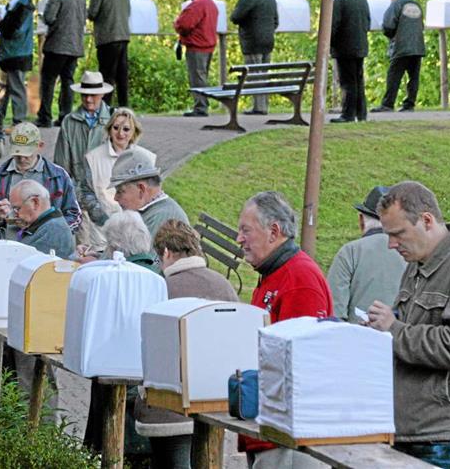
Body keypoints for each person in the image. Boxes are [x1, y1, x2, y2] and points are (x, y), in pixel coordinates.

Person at [368, 181, 450, 467]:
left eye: (398, 234)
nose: (391, 244)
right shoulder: (416, 267)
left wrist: (394, 330)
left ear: (427, 221)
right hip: (414, 431)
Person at [236, 191, 332, 468]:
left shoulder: (299, 278)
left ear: (273, 231)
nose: (239, 239)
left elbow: (305, 362)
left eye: (246, 231)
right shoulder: (275, 273)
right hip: (271, 432)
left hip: (288, 440)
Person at [133, 219, 238, 468]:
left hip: (165, 406)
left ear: (167, 253)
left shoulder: (160, 288)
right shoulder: (223, 285)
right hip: (216, 401)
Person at [82, 209, 156, 465]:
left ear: (115, 247)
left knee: (116, 454)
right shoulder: (158, 276)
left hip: (117, 385)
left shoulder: (113, 279)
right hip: (146, 386)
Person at [0, 122, 81, 238]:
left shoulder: (59, 176)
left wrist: (51, 230)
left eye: (27, 153)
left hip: (46, 247)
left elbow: (74, 216)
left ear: (40, 146)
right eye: (17, 153)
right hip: (5, 246)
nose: (21, 158)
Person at [327, 186, 406, 322]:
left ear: (361, 220)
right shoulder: (412, 253)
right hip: (401, 339)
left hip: (356, 340)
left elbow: (334, 312)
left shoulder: (350, 252)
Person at [80, 108, 155, 250]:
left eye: (126, 129)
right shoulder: (92, 158)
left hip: (137, 237)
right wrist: (107, 222)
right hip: (101, 235)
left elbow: (152, 197)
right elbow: (86, 193)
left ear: (134, 132)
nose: (120, 133)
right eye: (116, 128)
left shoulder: (147, 158)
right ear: (109, 129)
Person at [36, 0, 87, 128]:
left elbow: (50, 18)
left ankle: (44, 117)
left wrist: (43, 17)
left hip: (57, 45)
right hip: (75, 46)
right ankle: (65, 116)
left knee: (48, 81)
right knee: (68, 82)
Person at [109, 147, 189, 240]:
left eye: (120, 191)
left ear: (141, 189)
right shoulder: (148, 211)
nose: (115, 198)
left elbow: (137, 254)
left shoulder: (161, 219)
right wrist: (97, 255)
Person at [370, 0, 425, 113]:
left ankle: (388, 104)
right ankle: (409, 104)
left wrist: (390, 36)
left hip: (401, 46)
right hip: (417, 46)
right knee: (413, 77)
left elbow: (388, 25)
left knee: (393, 75)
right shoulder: (416, 5)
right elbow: (421, 25)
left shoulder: (396, 5)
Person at [231, 0, 278, 115]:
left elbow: (235, 17)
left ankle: (259, 107)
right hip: (268, 41)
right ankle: (263, 105)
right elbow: (276, 21)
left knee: (254, 74)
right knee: (263, 73)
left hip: (252, 42)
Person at [54, 70, 113, 187]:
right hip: (79, 187)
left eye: (93, 95)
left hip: (109, 186)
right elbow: (62, 162)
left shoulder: (114, 119)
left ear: (102, 94)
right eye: (84, 95)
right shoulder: (69, 121)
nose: (88, 99)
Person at [87, 0, 131, 107]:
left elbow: (92, 12)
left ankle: (105, 108)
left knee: (107, 75)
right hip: (123, 36)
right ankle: (124, 106)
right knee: (122, 75)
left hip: (107, 37)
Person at [174, 0, 218, 118]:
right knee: (202, 76)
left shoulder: (197, 5)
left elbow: (184, 24)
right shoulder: (210, 3)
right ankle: (202, 104)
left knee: (197, 77)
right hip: (208, 45)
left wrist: (176, 23)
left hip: (197, 46)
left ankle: (201, 107)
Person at [330, 0, 370, 124]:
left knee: (347, 82)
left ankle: (347, 114)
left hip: (344, 47)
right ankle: (361, 113)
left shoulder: (339, 1)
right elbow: (367, 21)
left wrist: (329, 45)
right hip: (360, 46)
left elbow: (334, 25)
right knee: (358, 80)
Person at [0, 0, 35, 125]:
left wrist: (0, 23)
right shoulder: (15, 5)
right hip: (10, 54)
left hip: (17, 53)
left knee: (17, 88)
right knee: (4, 89)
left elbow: (15, 30)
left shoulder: (22, 7)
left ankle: (19, 121)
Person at [8, 180, 75, 259]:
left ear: (35, 202)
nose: (15, 214)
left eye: (17, 208)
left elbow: (28, 265)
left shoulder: (53, 230)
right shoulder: (46, 226)